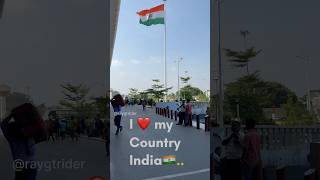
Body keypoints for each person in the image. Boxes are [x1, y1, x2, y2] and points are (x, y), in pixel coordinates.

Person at [1, 111, 37, 180]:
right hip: (29, 165)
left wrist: (11, 115)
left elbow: (3, 125)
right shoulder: (28, 136)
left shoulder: (11, 137)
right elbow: (31, 151)